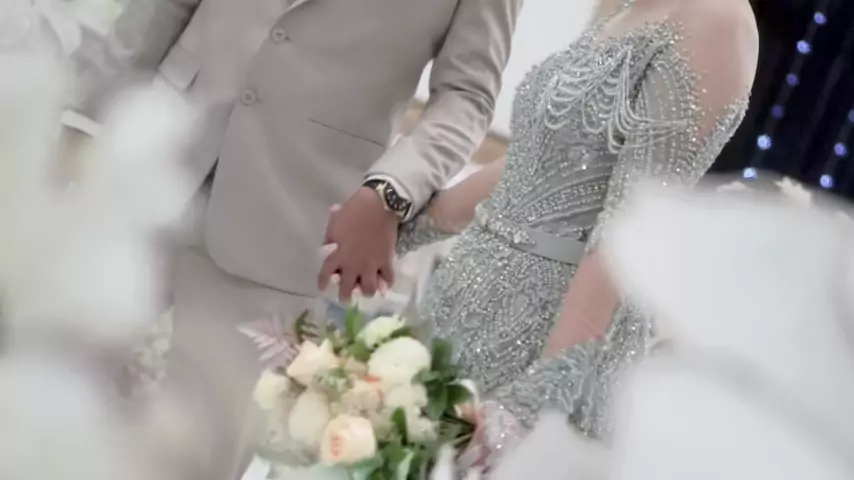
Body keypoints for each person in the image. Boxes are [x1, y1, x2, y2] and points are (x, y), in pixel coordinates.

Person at [86, 0, 520, 478]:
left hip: (291, 216)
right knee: (46, 376)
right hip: (151, 155)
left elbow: (467, 96)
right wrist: (88, 116)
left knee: (195, 457)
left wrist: (391, 190)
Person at [391, 0, 758, 464]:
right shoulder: (631, 8)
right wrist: (405, 229)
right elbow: (537, 161)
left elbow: (632, 226)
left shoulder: (716, 20)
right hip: (458, 306)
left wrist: (534, 400)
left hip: (545, 340)